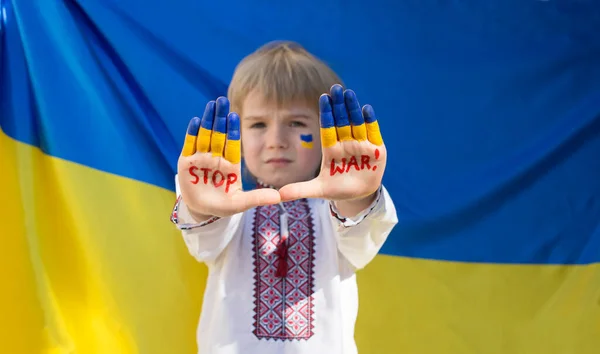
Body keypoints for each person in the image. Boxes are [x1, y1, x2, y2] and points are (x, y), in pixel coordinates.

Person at [170, 41, 398, 354]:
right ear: (234, 131)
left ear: (327, 133)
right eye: (258, 124)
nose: (276, 141)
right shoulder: (230, 215)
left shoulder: (336, 214)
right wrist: (199, 208)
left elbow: (362, 237)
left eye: (296, 124)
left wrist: (358, 196)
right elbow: (204, 240)